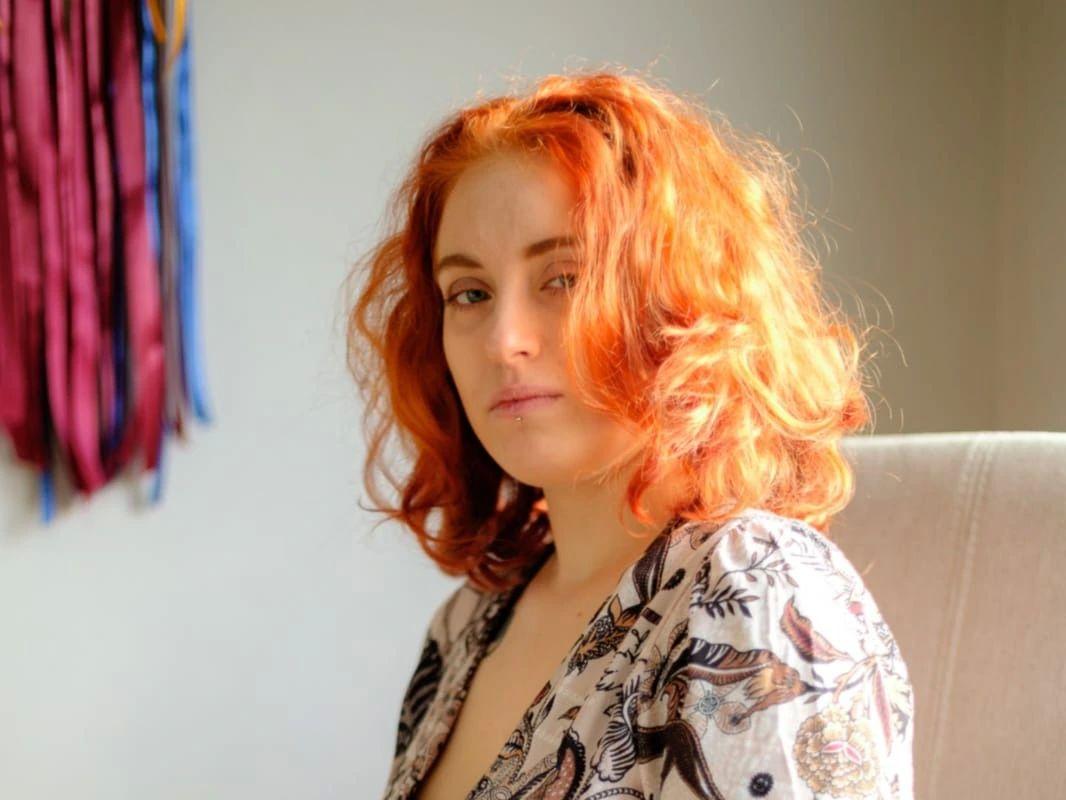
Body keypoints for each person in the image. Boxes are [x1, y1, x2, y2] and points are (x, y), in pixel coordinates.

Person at [346, 69, 915, 800]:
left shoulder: (758, 591)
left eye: (564, 278)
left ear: (678, 302)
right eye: (470, 293)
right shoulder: (468, 626)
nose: (503, 339)